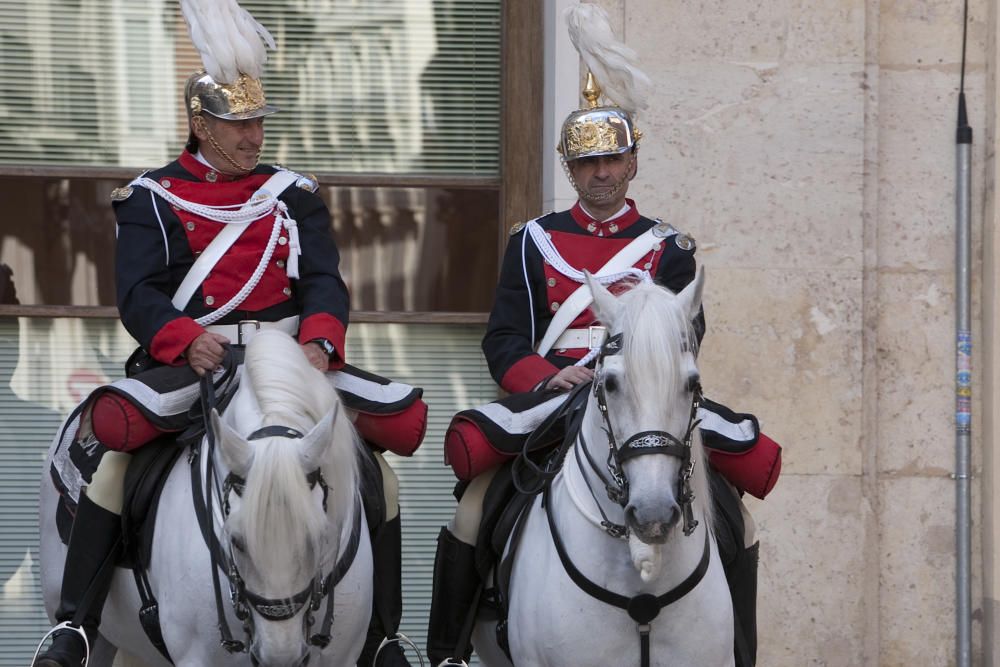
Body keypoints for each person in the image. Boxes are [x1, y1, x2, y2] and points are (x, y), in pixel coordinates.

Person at [33, 23, 413, 667]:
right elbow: (140, 293)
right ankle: (76, 624)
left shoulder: (293, 194)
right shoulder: (151, 198)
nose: (252, 136)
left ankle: (381, 635)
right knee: (117, 462)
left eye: (258, 122)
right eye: (238, 124)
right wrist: (184, 339)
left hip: (289, 360)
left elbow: (323, 280)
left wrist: (321, 340)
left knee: (376, 468)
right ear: (200, 124)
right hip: (197, 361)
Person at [425, 6, 764, 666]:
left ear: (633, 161)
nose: (600, 173)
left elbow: (683, 339)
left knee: (735, 515)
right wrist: (544, 375)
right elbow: (502, 339)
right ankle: (448, 650)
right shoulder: (533, 242)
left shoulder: (671, 251)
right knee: (473, 506)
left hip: (643, 403)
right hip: (553, 400)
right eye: (586, 163)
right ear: (569, 168)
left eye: (612, 159)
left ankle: (741, 651)